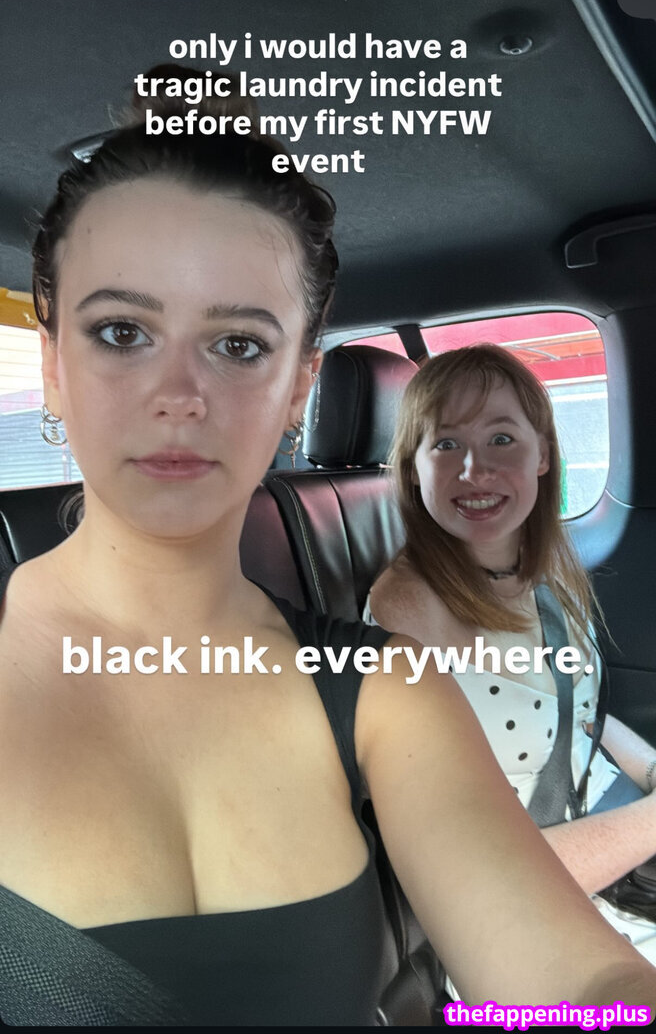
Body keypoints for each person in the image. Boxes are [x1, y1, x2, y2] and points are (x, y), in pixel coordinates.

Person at [1, 75, 656, 1026]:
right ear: (54, 365)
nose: (178, 394)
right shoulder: (408, 610)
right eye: (122, 331)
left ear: (299, 385)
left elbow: (583, 983)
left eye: (238, 345)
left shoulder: (387, 692)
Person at [365, 342, 656, 975]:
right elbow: (470, 879)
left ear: (543, 454)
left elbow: (583, 715)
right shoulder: (406, 613)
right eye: (446, 444)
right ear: (413, 470)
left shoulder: (547, 568)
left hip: (612, 854)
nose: (475, 469)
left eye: (502, 438)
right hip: (525, 930)